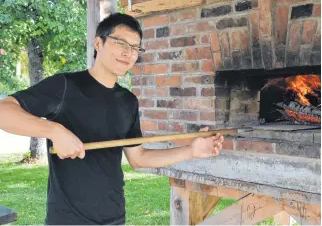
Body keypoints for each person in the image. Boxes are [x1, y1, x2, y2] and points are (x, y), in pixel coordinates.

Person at [0, 13, 224, 225]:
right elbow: (4, 111)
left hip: (114, 217)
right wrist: (54, 131)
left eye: (135, 48)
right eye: (121, 43)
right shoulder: (66, 86)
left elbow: (139, 158)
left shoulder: (128, 101)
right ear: (98, 44)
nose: (129, 53)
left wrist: (191, 150)